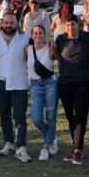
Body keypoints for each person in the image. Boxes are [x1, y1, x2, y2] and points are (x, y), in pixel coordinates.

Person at [51, 13, 89, 165]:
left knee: (80, 115)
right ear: (64, 27)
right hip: (65, 82)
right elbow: (57, 57)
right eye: (67, 25)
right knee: (70, 117)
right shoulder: (60, 39)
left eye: (73, 24)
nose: (70, 28)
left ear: (78, 25)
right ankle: (76, 147)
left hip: (84, 82)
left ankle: (78, 150)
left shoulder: (88, 38)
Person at [0, 12, 32, 163]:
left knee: (20, 116)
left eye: (11, 23)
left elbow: (36, 53)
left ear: (17, 24)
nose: (8, 25)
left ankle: (21, 146)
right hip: (0, 82)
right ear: (2, 23)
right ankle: (9, 143)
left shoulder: (25, 38)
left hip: (19, 83)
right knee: (4, 115)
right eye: (6, 23)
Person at [27, 24, 58, 161]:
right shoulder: (27, 50)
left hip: (50, 83)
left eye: (40, 33)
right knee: (36, 118)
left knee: (51, 116)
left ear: (45, 35)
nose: (38, 36)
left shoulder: (50, 48)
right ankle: (51, 137)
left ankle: (45, 148)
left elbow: (59, 57)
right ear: (32, 35)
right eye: (35, 33)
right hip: (35, 86)